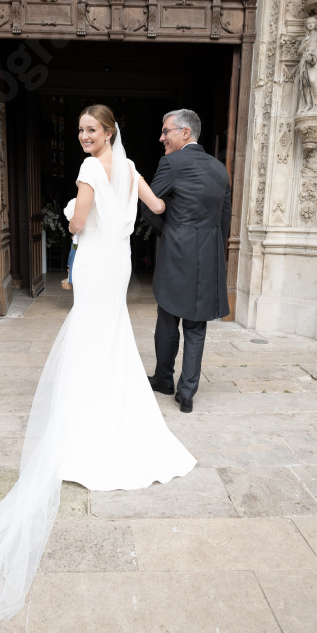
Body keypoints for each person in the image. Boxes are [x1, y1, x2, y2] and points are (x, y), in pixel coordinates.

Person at [0, 104, 196, 633]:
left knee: (92, 336)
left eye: (91, 130)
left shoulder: (90, 168)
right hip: (117, 264)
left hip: (96, 262)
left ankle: (86, 419)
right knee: (109, 334)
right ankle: (111, 411)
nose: (84, 136)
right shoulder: (131, 166)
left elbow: (79, 223)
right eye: (80, 130)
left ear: (108, 131)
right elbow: (159, 205)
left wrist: (72, 209)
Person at [142, 109, 231, 414]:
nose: (161, 138)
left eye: (166, 131)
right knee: (196, 326)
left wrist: (171, 233)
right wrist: (213, 247)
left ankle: (164, 380)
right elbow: (224, 218)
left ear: (185, 133)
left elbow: (150, 205)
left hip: (177, 253)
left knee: (168, 318)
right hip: (208, 255)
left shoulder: (171, 163)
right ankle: (187, 392)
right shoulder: (220, 169)